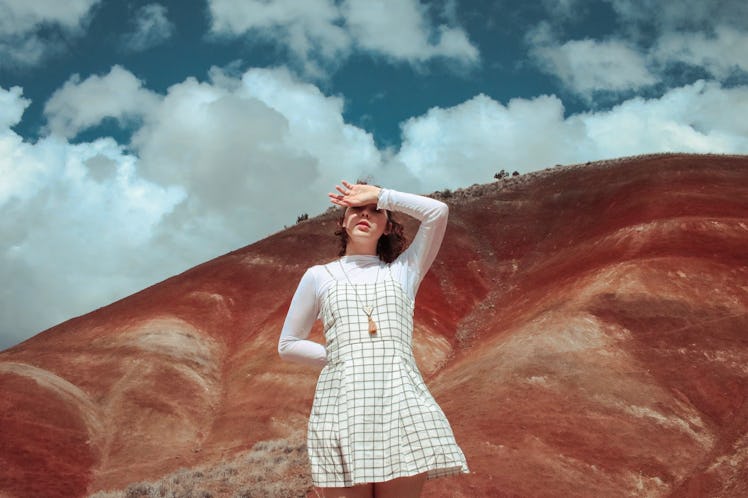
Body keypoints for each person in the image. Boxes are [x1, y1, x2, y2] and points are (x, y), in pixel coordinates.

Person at [278, 181, 469, 498]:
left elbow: (438, 213)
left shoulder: (405, 271)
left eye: (374, 211)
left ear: (387, 226)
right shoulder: (319, 276)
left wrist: (382, 195)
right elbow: (288, 344)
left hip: (400, 404)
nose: (365, 214)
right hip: (341, 406)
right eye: (356, 209)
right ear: (342, 221)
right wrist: (340, 357)